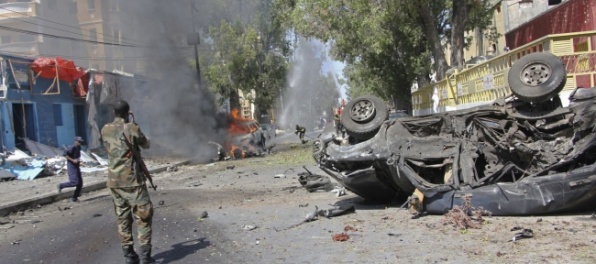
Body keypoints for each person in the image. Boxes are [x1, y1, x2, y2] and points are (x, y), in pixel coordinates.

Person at [101, 100, 155, 264]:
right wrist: (134, 124)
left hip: (114, 182)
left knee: (123, 219)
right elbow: (146, 144)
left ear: (114, 112)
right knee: (144, 217)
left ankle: (129, 256)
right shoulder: (132, 128)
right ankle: (145, 257)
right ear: (127, 112)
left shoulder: (105, 129)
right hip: (133, 181)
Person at [57, 136, 84, 202]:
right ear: (75, 141)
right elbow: (65, 154)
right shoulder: (72, 147)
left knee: (80, 183)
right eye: (79, 141)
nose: (80, 143)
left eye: (81, 142)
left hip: (76, 167)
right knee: (74, 182)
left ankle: (75, 197)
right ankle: (61, 185)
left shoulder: (79, 148)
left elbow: (77, 157)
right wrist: (72, 160)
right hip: (71, 167)